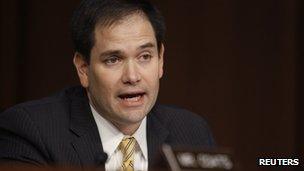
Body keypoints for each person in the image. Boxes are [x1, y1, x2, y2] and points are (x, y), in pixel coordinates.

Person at [0, 0, 215, 170]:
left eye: (145, 56)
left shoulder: (191, 132)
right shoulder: (32, 131)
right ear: (83, 68)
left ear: (161, 60)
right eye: (113, 59)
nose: (132, 76)